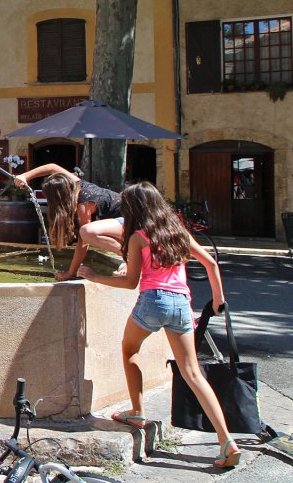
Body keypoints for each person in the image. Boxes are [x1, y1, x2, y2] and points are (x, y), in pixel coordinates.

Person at [77, 182, 240, 469]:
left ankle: (137, 411)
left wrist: (93, 275)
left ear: (136, 209)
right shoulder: (178, 232)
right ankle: (227, 441)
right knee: (192, 372)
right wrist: (218, 301)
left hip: (152, 301)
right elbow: (210, 264)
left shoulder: (139, 237)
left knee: (129, 350)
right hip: (181, 304)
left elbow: (130, 283)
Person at [13, 163, 125, 281]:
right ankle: (129, 257)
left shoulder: (84, 203)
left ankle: (130, 257)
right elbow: (52, 167)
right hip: (124, 221)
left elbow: (84, 242)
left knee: (87, 233)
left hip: (132, 222)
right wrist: (25, 176)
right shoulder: (74, 183)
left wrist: (70, 272)